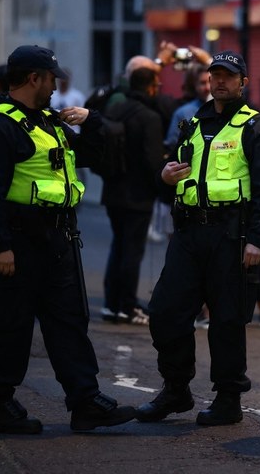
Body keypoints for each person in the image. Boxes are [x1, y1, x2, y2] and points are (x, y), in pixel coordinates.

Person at [0, 45, 136, 434]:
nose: (55, 88)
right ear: (34, 79)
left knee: (68, 322)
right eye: (51, 80)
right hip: (18, 242)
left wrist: (91, 119)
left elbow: (94, 155)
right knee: (13, 326)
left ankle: (85, 401)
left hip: (57, 239)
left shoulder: (48, 121)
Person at [136, 50, 260, 426]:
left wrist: (258, 239)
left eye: (229, 76)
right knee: (165, 313)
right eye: (215, 74)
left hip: (231, 236)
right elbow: (172, 177)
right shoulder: (192, 125)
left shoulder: (256, 129)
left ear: (243, 82)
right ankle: (176, 389)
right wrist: (163, 178)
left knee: (227, 321)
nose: (220, 81)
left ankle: (228, 398)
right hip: (188, 233)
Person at [100, 67, 167, 325]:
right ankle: (127, 305)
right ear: (150, 87)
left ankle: (111, 303)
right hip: (138, 194)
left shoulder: (115, 109)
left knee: (118, 245)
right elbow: (153, 161)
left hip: (112, 188)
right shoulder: (149, 117)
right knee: (132, 250)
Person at [164, 65, 212, 150]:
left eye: (210, 82)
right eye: (202, 83)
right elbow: (173, 143)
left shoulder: (225, 109)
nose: (207, 88)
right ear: (195, 85)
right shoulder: (182, 113)